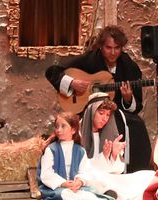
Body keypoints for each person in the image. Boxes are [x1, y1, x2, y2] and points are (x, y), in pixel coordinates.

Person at [44, 25, 152, 171]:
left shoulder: (128, 66)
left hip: (115, 112)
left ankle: (130, 169)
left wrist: (128, 99)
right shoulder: (90, 60)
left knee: (136, 124)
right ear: (101, 46)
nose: (113, 52)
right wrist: (73, 83)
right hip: (87, 111)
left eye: (117, 48)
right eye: (108, 48)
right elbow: (53, 72)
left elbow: (136, 106)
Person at [75, 96, 156, 200]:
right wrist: (103, 156)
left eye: (108, 115)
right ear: (91, 111)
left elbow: (117, 170)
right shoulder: (77, 134)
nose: (105, 118)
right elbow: (82, 168)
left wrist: (113, 155)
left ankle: (107, 193)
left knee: (148, 175)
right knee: (100, 180)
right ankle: (105, 193)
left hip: (107, 177)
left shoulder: (109, 134)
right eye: (101, 113)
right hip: (86, 178)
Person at [37, 111, 110, 200]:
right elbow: (47, 174)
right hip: (57, 187)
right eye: (57, 126)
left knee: (92, 189)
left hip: (74, 187)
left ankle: (84, 198)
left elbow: (85, 171)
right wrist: (64, 183)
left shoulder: (80, 151)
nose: (58, 130)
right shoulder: (51, 149)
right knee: (65, 193)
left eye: (63, 126)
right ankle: (81, 199)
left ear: (73, 130)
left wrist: (79, 182)